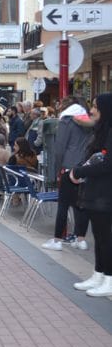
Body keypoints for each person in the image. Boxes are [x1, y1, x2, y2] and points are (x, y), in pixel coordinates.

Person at [69, 93, 112, 297]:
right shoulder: (102, 131)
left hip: (106, 195)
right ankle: (99, 274)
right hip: (97, 194)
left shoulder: (110, 132)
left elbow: (107, 164)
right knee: (99, 236)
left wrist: (80, 171)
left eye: (95, 106)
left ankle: (109, 279)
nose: (91, 110)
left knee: (106, 238)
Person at [42, 98, 92, 251]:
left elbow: (59, 148)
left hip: (68, 166)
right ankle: (81, 239)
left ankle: (57, 240)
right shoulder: (88, 121)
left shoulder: (66, 121)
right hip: (85, 165)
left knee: (63, 204)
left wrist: (58, 168)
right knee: (81, 204)